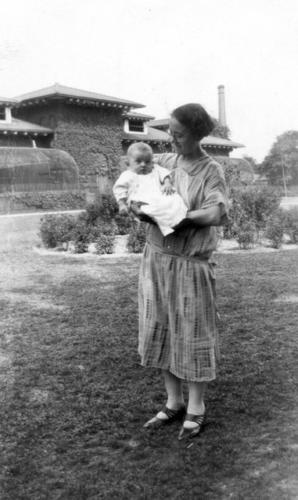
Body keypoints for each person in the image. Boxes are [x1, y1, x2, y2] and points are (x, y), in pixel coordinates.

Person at [132, 103, 228, 441]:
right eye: (170, 133)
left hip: (189, 264)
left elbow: (215, 212)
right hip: (157, 259)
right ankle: (173, 402)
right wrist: (138, 207)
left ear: (197, 134)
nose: (172, 140)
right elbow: (140, 189)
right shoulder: (166, 163)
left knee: (192, 332)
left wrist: (184, 219)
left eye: (179, 135)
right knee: (162, 326)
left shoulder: (210, 170)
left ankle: (196, 407)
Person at [113, 142, 188, 236]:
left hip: (157, 197)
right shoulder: (127, 175)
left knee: (174, 200)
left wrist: (167, 183)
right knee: (149, 209)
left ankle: (175, 220)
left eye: (147, 161)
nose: (143, 165)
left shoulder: (155, 169)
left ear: (152, 161)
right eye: (138, 161)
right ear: (128, 163)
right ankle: (167, 224)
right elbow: (119, 189)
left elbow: (165, 174)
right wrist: (122, 204)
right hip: (139, 200)